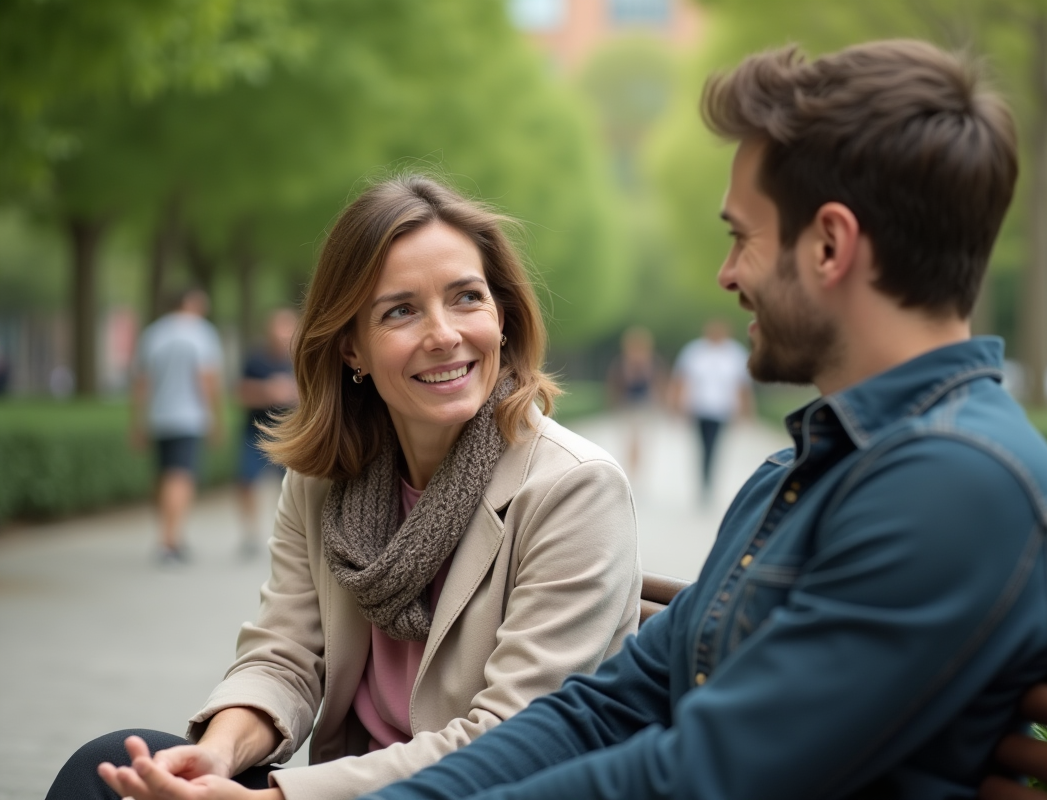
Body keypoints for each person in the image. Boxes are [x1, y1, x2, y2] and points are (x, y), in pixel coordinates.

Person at [358, 40, 1047, 800]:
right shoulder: (802, 473)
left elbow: (704, 775)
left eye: (742, 236)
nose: (727, 273)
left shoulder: (958, 487)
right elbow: (605, 710)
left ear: (831, 245)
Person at [48, 176, 642, 800]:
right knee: (104, 768)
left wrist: (275, 799)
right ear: (351, 348)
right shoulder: (322, 483)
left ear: (502, 318)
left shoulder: (575, 491)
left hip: (480, 791)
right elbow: (284, 656)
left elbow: (509, 744)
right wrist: (217, 755)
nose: (444, 334)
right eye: (401, 310)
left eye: (467, 297)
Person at [129, 287, 224, 563]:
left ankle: (167, 534)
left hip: (159, 416)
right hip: (189, 417)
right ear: (190, 303)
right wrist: (214, 418)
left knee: (162, 476)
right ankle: (170, 541)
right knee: (181, 477)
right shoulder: (201, 332)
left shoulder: (153, 333)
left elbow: (142, 382)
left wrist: (137, 421)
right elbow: (206, 378)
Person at [236, 307, 300, 556]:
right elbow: (241, 393)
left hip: (292, 433)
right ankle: (250, 534)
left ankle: (292, 534)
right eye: (278, 326)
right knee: (246, 481)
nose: (283, 333)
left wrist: (294, 393)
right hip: (256, 433)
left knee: (293, 486)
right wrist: (267, 391)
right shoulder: (255, 360)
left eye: (287, 327)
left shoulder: (302, 358)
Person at [669, 319, 753, 497]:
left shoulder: (735, 353)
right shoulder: (694, 351)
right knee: (702, 445)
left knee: (714, 445)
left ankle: (709, 479)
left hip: (722, 409)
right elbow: (681, 379)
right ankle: (703, 478)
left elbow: (742, 385)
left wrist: (745, 410)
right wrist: (676, 404)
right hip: (699, 407)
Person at [605, 325, 665, 476]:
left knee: (643, 439)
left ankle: (638, 467)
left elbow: (658, 382)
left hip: (645, 404)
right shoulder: (621, 363)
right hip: (628, 404)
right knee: (629, 439)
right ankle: (631, 467)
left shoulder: (652, 362)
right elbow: (614, 384)